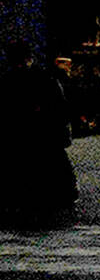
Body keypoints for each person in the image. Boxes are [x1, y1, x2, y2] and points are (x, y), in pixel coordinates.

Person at [0, 42, 77, 217]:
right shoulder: (44, 78)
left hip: (19, 138)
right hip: (42, 137)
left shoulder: (7, 80)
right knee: (53, 168)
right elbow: (60, 108)